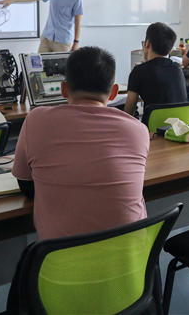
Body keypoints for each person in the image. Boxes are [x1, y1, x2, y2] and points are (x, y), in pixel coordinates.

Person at [12, 46, 148, 240]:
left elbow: (25, 183)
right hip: (133, 257)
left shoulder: (36, 120)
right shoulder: (138, 130)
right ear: (113, 92)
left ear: (64, 89)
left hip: (61, 258)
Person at [124, 22, 188, 125]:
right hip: (178, 129)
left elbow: (128, 114)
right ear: (170, 50)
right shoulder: (177, 68)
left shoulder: (139, 71)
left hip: (151, 131)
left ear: (147, 43)